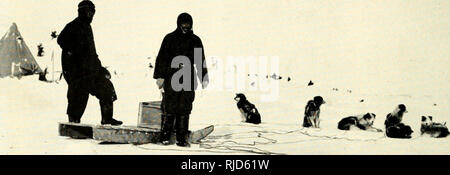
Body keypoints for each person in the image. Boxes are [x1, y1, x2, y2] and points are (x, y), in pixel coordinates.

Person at [57, 0, 122, 125]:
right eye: (89, 12)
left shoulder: (87, 27)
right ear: (82, 12)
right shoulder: (73, 26)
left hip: (91, 71)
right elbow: (61, 40)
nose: (91, 15)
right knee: (78, 96)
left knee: (106, 87)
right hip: (76, 73)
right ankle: (73, 124)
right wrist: (74, 53)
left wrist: (100, 68)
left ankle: (107, 119)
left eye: (93, 13)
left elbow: (91, 53)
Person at [154, 13, 209, 147]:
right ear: (179, 24)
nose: (186, 26)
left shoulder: (195, 40)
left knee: (185, 107)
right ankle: (165, 137)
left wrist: (204, 77)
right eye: (183, 24)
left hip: (188, 78)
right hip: (171, 76)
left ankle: (181, 138)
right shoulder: (170, 38)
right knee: (170, 106)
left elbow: (199, 59)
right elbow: (162, 58)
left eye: (188, 24)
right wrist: (160, 76)